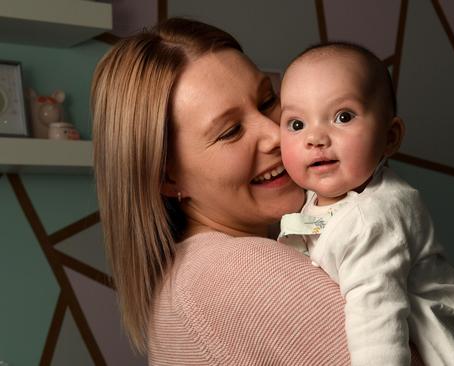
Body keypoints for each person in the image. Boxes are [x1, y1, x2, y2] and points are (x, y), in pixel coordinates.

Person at [91, 18, 427, 365]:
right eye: (231, 131)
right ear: (169, 179)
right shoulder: (244, 272)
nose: (274, 134)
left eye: (268, 101)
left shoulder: (189, 274)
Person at [278, 43, 454, 365]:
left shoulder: (371, 219)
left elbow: (378, 324)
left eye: (343, 116)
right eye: (297, 124)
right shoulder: (322, 198)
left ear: (390, 136)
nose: (316, 138)